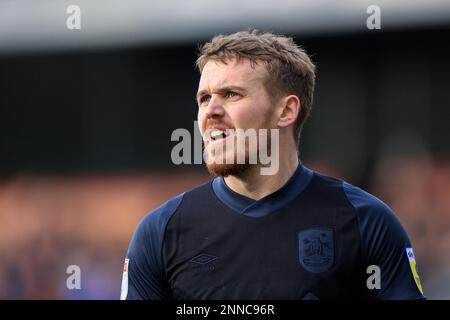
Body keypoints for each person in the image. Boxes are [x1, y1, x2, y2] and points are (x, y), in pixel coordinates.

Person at [120, 30, 425, 300]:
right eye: (204, 98)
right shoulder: (160, 233)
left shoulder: (367, 223)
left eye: (231, 94)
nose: (210, 111)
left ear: (286, 111)